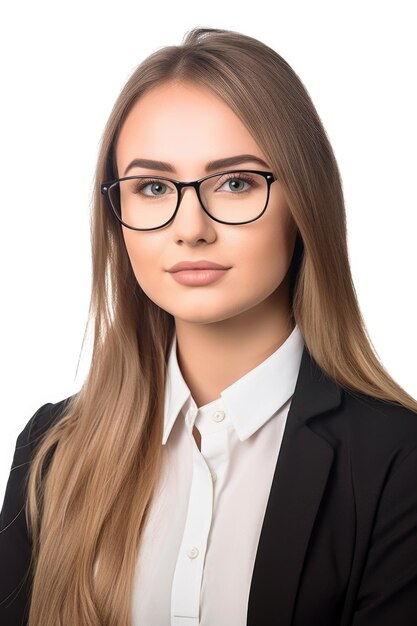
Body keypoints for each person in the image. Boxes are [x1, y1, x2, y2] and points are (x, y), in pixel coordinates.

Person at [1, 26, 417, 626]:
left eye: (236, 182)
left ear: (304, 202)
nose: (190, 227)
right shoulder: (52, 450)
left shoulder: (396, 461)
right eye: (152, 187)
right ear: (118, 217)